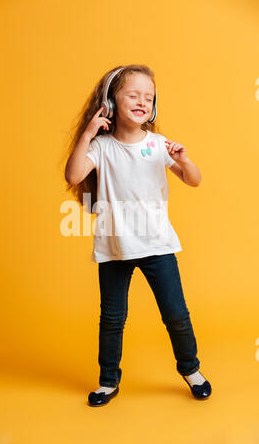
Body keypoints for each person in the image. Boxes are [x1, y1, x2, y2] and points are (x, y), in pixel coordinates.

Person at [64, 64, 212, 407]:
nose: (142, 101)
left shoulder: (158, 144)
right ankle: (108, 381)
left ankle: (191, 370)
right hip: (114, 247)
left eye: (149, 97)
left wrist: (184, 160)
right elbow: (73, 175)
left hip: (157, 244)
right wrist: (87, 135)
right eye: (133, 94)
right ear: (110, 103)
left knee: (176, 313)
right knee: (112, 318)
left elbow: (194, 179)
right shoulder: (101, 147)